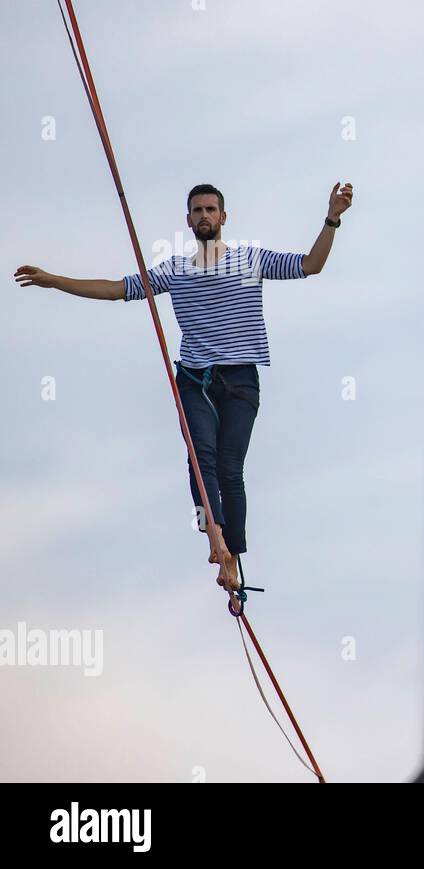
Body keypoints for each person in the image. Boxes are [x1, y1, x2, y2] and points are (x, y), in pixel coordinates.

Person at [14, 182, 354, 594]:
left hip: (241, 380)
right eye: (197, 211)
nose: (205, 216)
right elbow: (116, 289)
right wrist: (55, 281)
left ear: (223, 217)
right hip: (195, 379)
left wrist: (332, 218)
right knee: (199, 459)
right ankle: (215, 539)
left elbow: (310, 265)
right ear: (188, 220)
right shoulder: (176, 270)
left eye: (211, 209)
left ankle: (233, 556)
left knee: (231, 470)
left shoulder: (251, 259)